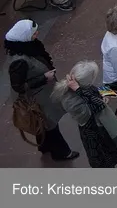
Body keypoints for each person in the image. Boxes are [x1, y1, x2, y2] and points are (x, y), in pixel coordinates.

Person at [6, 19, 79, 160]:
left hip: (41, 94)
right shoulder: (19, 61)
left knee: (43, 124)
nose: (37, 34)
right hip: (35, 99)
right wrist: (44, 78)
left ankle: (44, 146)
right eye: (34, 33)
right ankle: (62, 153)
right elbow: (19, 86)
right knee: (50, 125)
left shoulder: (25, 47)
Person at [56, 60, 117, 168]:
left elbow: (94, 99)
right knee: (103, 160)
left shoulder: (77, 91)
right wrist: (102, 102)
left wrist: (99, 99)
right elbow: (98, 106)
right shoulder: (75, 101)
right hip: (95, 133)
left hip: (94, 129)